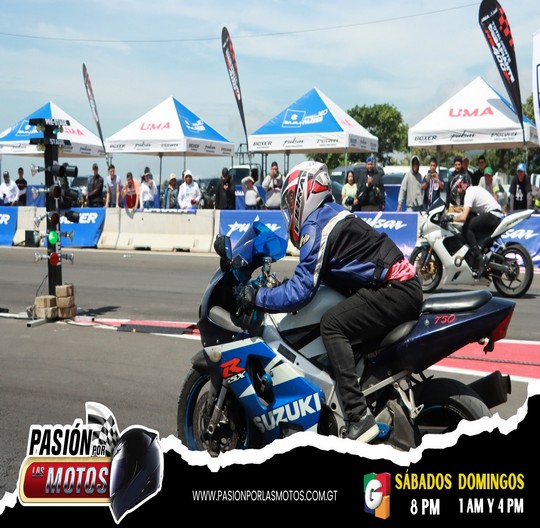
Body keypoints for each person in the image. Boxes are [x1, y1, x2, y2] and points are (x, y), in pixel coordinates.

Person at [235, 161, 423, 443]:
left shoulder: (316, 225)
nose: (290, 209)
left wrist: (258, 296)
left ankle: (358, 417)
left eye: (291, 200)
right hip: (399, 287)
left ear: (305, 192)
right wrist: (280, 287)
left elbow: (302, 290)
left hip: (396, 290)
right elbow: (316, 276)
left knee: (332, 324)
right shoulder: (332, 214)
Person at [447, 173, 502, 276]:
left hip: (492, 215)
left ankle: (479, 258)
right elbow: (470, 214)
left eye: (458, 188)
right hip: (495, 215)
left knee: (467, 228)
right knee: (471, 225)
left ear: (463, 185)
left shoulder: (469, 193)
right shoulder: (473, 191)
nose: (458, 191)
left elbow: (463, 218)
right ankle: (478, 257)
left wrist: (450, 218)